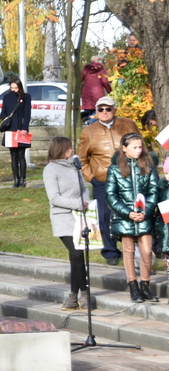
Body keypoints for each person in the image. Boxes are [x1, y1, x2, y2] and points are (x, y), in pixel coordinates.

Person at [77, 95, 141, 266]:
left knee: (132, 212)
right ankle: (110, 251)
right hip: (102, 180)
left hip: (128, 178)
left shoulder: (128, 124)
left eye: (108, 109)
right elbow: (81, 160)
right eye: (101, 109)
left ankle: (137, 251)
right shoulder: (88, 132)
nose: (104, 112)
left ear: (115, 110)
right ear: (96, 111)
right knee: (105, 216)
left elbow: (141, 148)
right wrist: (92, 178)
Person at [106, 132, 158, 303]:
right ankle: (133, 285)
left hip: (145, 216)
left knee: (146, 251)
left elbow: (153, 191)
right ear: (124, 148)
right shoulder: (114, 169)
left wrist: (146, 211)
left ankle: (145, 285)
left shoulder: (148, 166)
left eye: (140, 147)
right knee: (128, 252)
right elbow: (111, 195)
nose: (138, 150)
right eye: (134, 147)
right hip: (125, 217)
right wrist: (127, 213)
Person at [43, 136, 91, 310]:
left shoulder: (74, 166)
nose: (73, 151)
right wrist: (78, 204)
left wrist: (85, 203)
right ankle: (85, 293)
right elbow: (54, 198)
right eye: (70, 148)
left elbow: (84, 188)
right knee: (77, 253)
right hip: (63, 217)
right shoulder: (51, 169)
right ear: (61, 150)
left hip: (79, 217)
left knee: (76, 256)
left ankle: (72, 296)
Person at [0, 78, 33, 187]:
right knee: (13, 156)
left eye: (16, 88)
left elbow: (27, 114)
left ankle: (23, 180)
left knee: (21, 155)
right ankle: (15, 180)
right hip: (10, 130)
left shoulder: (26, 97)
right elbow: (3, 112)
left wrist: (24, 128)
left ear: (20, 87)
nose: (14, 90)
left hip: (21, 129)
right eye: (12, 88)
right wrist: (7, 119)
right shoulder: (6, 97)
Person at [80, 56, 111, 122]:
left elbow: (79, 78)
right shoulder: (101, 69)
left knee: (88, 109)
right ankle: (91, 122)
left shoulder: (86, 69)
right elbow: (105, 81)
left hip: (86, 92)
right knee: (97, 109)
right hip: (98, 92)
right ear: (99, 60)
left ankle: (87, 120)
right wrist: (109, 91)